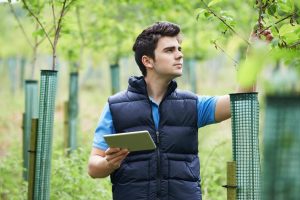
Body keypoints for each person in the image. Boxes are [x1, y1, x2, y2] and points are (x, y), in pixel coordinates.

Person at [88, 21, 273, 200]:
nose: (179, 55)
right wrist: (108, 163)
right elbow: (93, 168)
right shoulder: (116, 107)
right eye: (169, 50)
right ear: (147, 61)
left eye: (179, 49)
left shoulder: (192, 104)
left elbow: (240, 102)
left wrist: (253, 59)